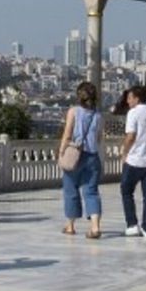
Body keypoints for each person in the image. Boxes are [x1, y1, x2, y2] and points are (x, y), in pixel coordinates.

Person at [58, 81, 103, 239]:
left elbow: (67, 134)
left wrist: (62, 152)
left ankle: (70, 225)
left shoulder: (74, 112)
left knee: (71, 190)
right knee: (91, 192)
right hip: (93, 156)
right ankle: (95, 226)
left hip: (75, 154)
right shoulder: (98, 114)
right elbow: (99, 138)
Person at [120, 84, 146, 237]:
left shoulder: (133, 113)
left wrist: (124, 152)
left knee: (126, 191)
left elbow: (131, 136)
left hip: (136, 159)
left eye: (130, 98)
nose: (128, 101)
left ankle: (132, 224)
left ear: (137, 99)